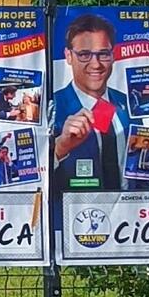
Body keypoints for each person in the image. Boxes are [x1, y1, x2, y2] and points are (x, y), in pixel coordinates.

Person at [51, 11, 122, 196]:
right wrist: (60, 147)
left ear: (113, 55)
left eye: (103, 54)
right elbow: (25, 177)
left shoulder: (130, 105)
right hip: (73, 220)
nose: (95, 64)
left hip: (131, 219)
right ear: (68, 56)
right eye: (84, 55)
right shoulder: (50, 107)